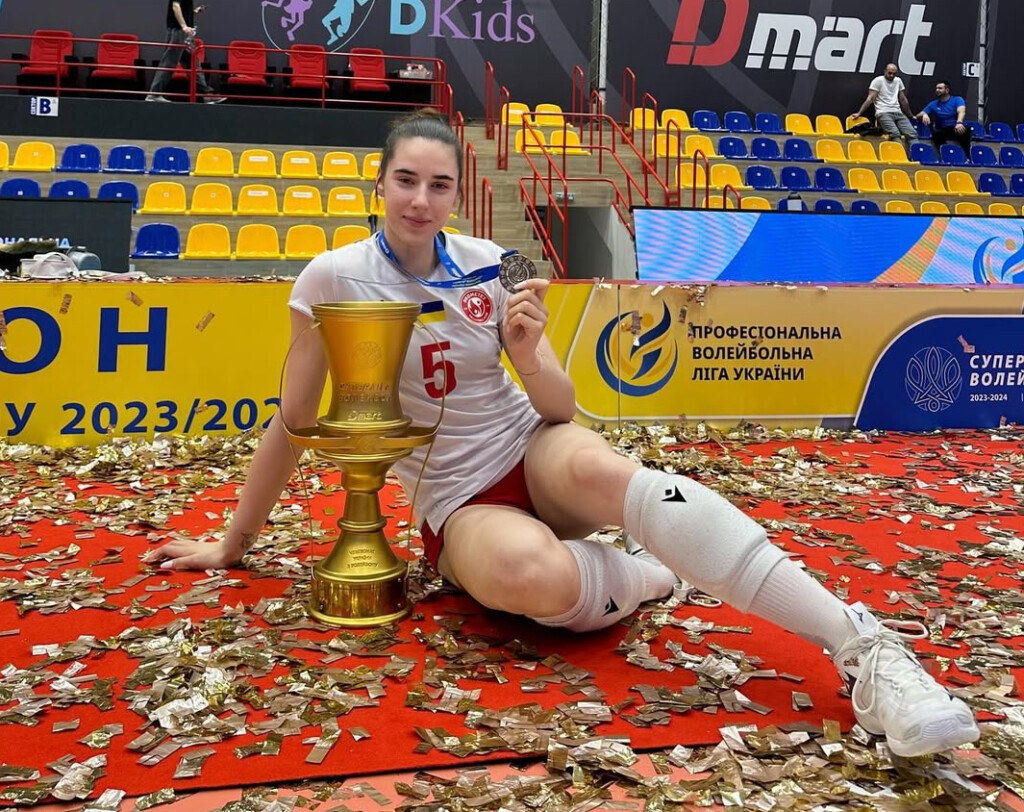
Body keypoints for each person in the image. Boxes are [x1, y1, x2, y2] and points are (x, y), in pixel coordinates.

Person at [146, 109, 979, 759]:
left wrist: (525, 351)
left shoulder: (494, 260)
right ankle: (649, 574)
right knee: (526, 578)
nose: (420, 201)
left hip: (532, 445)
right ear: (380, 183)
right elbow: (293, 420)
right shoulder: (332, 276)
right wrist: (232, 542)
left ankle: (865, 648)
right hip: (456, 498)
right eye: (406, 180)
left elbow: (558, 399)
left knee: (625, 479)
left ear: (456, 194)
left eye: (439, 185)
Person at [146, 0, 226, 103]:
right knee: (169, 61)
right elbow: (175, 6)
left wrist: (193, 12)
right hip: (179, 32)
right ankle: (154, 94)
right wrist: (184, 26)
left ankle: (206, 95)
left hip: (183, 33)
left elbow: (181, 9)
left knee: (193, 63)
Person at [852, 63, 918, 148]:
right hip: (883, 112)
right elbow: (870, 98)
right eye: (889, 73)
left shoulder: (898, 81)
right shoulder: (878, 81)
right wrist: (859, 113)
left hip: (898, 112)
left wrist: (910, 115)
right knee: (895, 133)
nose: (892, 75)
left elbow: (903, 100)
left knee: (912, 133)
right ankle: (900, 154)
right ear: (885, 71)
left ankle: (918, 154)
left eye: (894, 74)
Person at [917, 81, 971, 157]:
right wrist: (924, 114)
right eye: (936, 88)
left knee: (965, 131)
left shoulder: (957, 99)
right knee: (936, 135)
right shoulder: (933, 104)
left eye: (940, 88)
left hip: (956, 127)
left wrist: (959, 122)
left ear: (947, 90)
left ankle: (967, 157)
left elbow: (961, 111)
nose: (937, 90)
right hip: (943, 129)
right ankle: (946, 156)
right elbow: (918, 116)